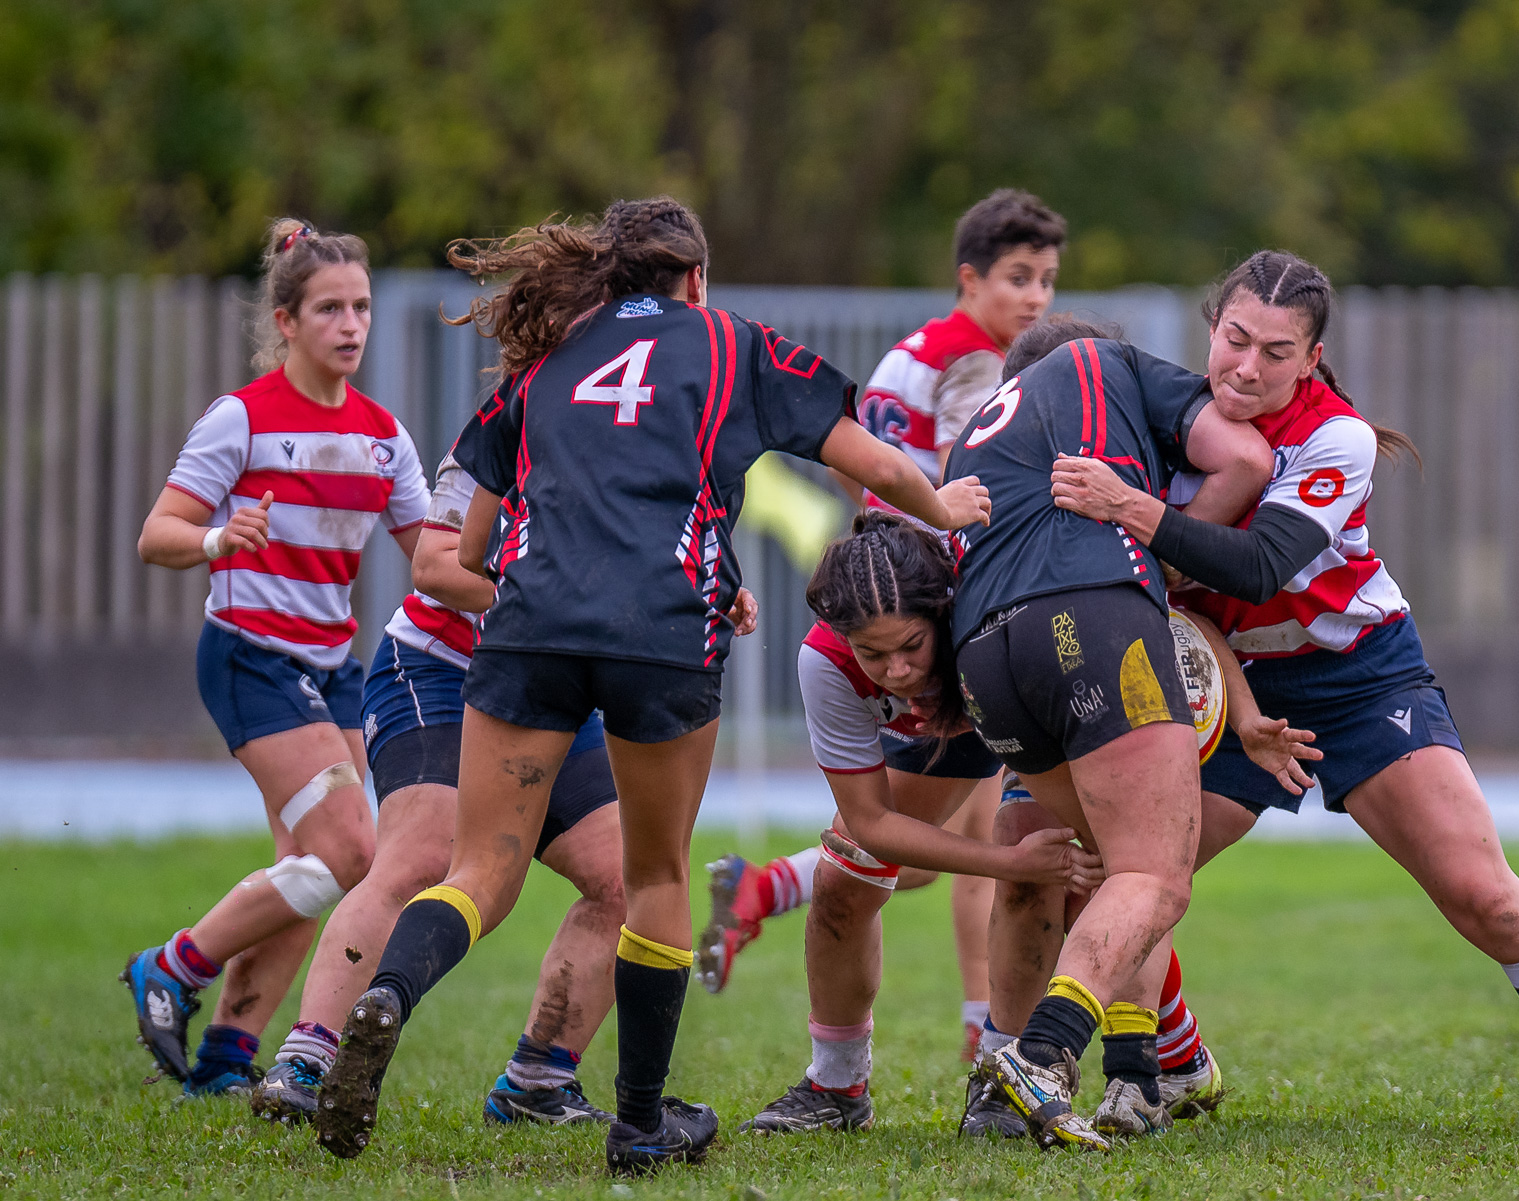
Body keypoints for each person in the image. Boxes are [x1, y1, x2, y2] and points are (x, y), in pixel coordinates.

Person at [311, 198, 991, 1172]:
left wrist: (558, 583)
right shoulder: (735, 343)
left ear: (605, 276)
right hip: (661, 633)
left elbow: (468, 547)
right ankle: (638, 1124)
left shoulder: (543, 362)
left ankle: (389, 995)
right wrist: (945, 504)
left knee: (476, 873)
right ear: (697, 279)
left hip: (527, 628)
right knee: (658, 874)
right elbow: (874, 463)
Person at [1046, 249, 1519, 1131]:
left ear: (1312, 359)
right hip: (1234, 684)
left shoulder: (1336, 436)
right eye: (1235, 339)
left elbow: (1262, 559)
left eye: (1277, 352)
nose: (1247, 366)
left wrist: (1133, 507)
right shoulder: (1163, 416)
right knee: (1127, 875)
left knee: (1486, 898)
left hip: (1358, 678)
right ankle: (1158, 1068)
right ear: (1211, 328)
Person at [701, 189, 1068, 1058]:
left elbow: (862, 468)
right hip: (949, 611)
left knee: (962, 843)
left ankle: (983, 1030)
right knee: (941, 850)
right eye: (1019, 278)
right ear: (968, 277)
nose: (1038, 301)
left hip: (888, 588)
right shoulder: (980, 362)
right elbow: (974, 470)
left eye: (1049, 281)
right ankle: (770, 893)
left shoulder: (913, 353)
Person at [944, 316, 1276, 1151]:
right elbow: (1247, 459)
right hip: (1088, 614)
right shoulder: (1103, 362)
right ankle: (1045, 1054)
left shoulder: (974, 444)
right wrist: (1165, 559)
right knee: (1154, 875)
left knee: (1091, 856)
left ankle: (1140, 1064)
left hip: (982, 656)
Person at [123, 219, 429, 1096]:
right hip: (251, 658)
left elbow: (433, 557)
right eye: (330, 308)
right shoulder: (244, 418)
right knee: (349, 849)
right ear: (286, 322)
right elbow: (157, 536)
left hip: (335, 670)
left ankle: (224, 1055)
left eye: (362, 307)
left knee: (311, 867)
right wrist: (221, 536)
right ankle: (174, 965)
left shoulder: (383, 437)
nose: (352, 325)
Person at [249, 447, 627, 1128]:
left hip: (550, 688)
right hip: (440, 672)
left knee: (623, 878)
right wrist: (556, 611)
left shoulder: (645, 439)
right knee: (422, 857)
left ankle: (537, 1082)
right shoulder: (503, 431)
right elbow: (433, 564)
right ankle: (307, 1061)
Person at [737, 512, 1104, 1136]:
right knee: (843, 877)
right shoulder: (824, 662)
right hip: (947, 732)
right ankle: (836, 1085)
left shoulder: (996, 611)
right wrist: (1005, 862)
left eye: (911, 646)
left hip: (1033, 698)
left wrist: (1018, 861)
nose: (897, 672)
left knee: (1063, 869)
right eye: (872, 654)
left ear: (942, 612)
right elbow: (869, 822)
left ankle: (1007, 1079)